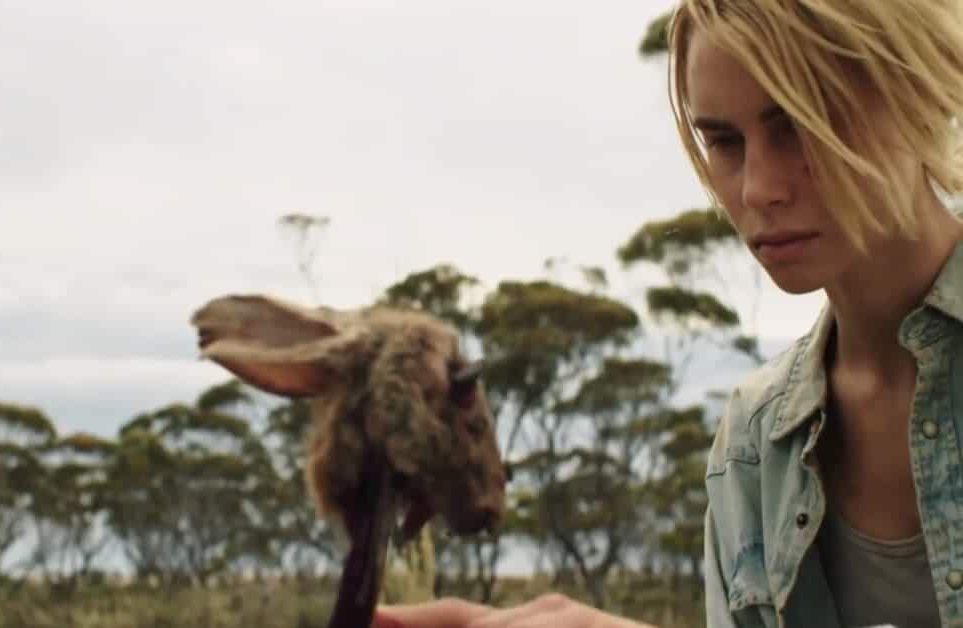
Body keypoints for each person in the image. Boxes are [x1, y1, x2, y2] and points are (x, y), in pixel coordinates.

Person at [371, 0, 963, 626]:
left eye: (796, 125)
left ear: (915, 92)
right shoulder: (757, 442)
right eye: (725, 142)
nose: (758, 189)